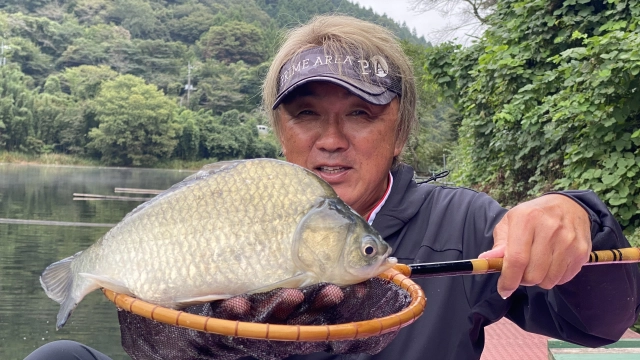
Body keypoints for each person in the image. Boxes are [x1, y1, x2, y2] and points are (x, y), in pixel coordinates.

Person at [25, 15, 640, 360]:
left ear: (401, 132)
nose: (331, 139)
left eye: (362, 114)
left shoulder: (466, 222)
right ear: (280, 130)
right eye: (307, 114)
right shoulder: (229, 210)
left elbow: (600, 327)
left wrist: (579, 218)